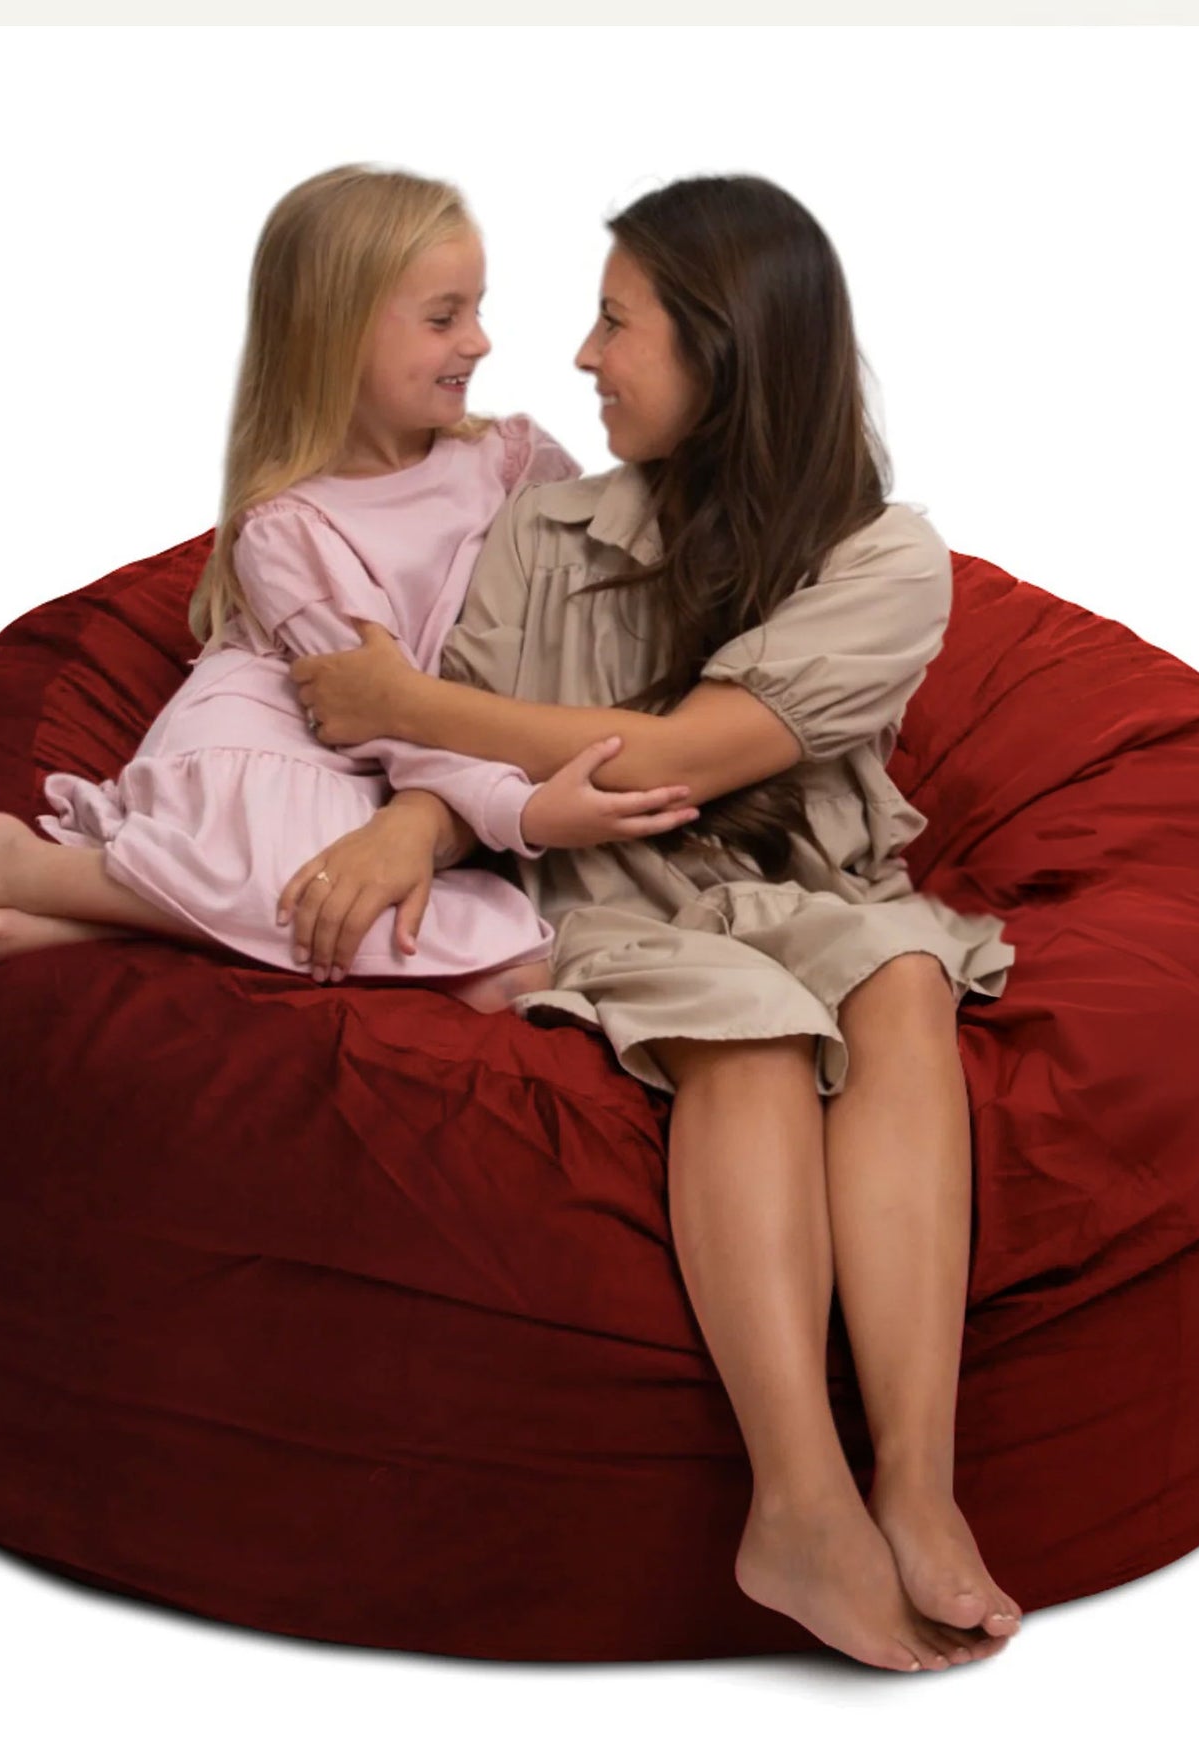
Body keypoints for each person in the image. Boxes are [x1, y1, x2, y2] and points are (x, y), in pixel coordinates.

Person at [277, 175, 1024, 1673]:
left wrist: (400, 702)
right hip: (617, 903)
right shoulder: (544, 530)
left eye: (617, 324)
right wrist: (413, 816)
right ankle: (799, 1502)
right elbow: (479, 769)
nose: (581, 356)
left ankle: (916, 1481)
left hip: (810, 887)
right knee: (747, 1026)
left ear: (723, 352)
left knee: (898, 965)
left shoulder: (889, 562)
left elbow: (682, 756)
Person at [0, 165, 700, 1013]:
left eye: (477, 309)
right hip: (285, 749)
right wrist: (524, 812)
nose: (478, 342)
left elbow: (579, 584)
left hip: (394, 771)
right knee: (355, 912)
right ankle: (27, 869)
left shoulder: (511, 460)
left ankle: (112, 918)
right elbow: (382, 705)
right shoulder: (286, 526)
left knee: (503, 972)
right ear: (339, 336)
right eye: (444, 318)